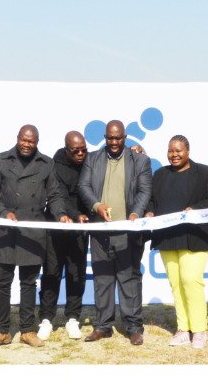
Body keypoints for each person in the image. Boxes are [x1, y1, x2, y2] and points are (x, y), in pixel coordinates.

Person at [0, 124, 71, 349]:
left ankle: (27, 330)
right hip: (6, 230)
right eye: (23, 139)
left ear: (37, 142)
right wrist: (3, 213)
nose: (26, 144)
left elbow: (55, 195)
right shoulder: (1, 160)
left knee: (28, 283)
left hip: (33, 230)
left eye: (31, 141)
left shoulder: (47, 163)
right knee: (2, 282)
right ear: (18, 138)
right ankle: (1, 331)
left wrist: (60, 214)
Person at [77, 120, 152, 346]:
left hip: (128, 231)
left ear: (125, 137)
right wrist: (96, 206)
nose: (114, 142)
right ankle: (103, 326)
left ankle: (133, 327)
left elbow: (145, 189)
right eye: (110, 138)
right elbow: (83, 187)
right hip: (100, 231)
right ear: (105, 137)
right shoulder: (92, 159)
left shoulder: (140, 159)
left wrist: (136, 214)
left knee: (128, 278)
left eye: (118, 138)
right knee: (102, 279)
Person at [149, 134, 208, 350]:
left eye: (178, 150)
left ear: (188, 151)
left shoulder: (205, 172)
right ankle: (183, 329)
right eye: (171, 150)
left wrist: (195, 209)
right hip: (168, 237)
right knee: (176, 284)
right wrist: (150, 211)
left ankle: (199, 330)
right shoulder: (160, 174)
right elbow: (152, 200)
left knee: (191, 280)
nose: (174, 155)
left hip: (197, 236)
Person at [37, 131, 94, 341]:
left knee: (76, 273)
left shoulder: (89, 161)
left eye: (84, 149)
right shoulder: (55, 165)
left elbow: (110, 155)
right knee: (51, 272)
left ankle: (72, 318)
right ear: (66, 149)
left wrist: (135, 151)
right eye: (75, 150)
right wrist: (72, 214)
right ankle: (46, 319)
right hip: (56, 225)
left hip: (80, 227)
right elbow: (57, 195)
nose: (81, 154)